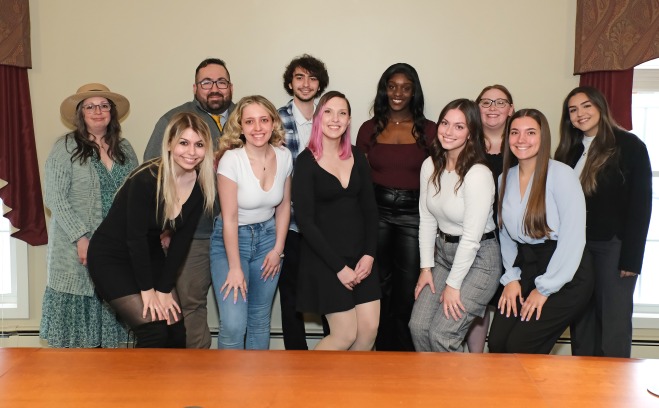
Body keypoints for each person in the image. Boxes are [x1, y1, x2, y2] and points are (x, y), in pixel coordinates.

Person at [88, 112, 216, 348]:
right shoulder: (147, 179)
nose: (191, 152)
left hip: (149, 252)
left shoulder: (200, 187)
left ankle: (172, 386)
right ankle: (141, 386)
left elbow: (180, 243)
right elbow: (133, 238)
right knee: (154, 332)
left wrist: (165, 289)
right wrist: (148, 291)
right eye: (184, 143)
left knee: (176, 332)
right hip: (111, 256)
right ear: (169, 144)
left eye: (199, 145)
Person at [143, 58, 235, 348]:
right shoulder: (174, 119)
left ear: (230, 87)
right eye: (206, 82)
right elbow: (154, 173)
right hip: (193, 234)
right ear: (195, 87)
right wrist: (165, 228)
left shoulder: (247, 120)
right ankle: (198, 372)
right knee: (191, 307)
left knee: (238, 311)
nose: (214, 88)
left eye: (221, 81)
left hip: (240, 232)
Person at [555, 86, 652, 358]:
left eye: (586, 106)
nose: (580, 113)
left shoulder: (629, 146)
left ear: (600, 106)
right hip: (578, 249)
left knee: (614, 323)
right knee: (582, 321)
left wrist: (632, 260)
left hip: (614, 248)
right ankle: (584, 391)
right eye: (573, 110)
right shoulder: (568, 150)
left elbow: (640, 205)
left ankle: (614, 394)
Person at [488, 109, 594, 354]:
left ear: (543, 136)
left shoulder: (562, 174)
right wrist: (512, 278)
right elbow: (505, 233)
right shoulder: (505, 177)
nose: (521, 139)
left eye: (530, 132)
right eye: (515, 132)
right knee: (497, 344)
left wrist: (545, 288)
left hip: (567, 273)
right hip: (526, 266)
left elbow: (573, 238)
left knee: (520, 346)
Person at [40, 83, 138, 348]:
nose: (98, 111)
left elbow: (136, 196)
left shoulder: (126, 149)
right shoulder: (66, 147)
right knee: (77, 354)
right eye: (90, 106)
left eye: (104, 105)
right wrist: (80, 238)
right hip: (76, 255)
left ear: (112, 112)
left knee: (115, 351)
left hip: (117, 251)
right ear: (80, 113)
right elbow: (54, 197)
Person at [408, 99, 500, 352]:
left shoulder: (478, 173)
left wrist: (453, 285)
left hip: (479, 259)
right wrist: (426, 268)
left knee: (442, 335)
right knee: (418, 327)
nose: (449, 131)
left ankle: (458, 391)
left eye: (459, 127)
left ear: (471, 133)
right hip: (443, 255)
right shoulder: (430, 165)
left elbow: (471, 238)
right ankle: (432, 390)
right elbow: (426, 220)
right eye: (445, 123)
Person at [356, 63, 435, 351]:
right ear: (384, 90)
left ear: (414, 92)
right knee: (378, 284)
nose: (398, 93)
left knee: (407, 287)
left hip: (414, 217)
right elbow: (360, 181)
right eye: (392, 86)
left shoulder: (430, 130)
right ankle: (380, 351)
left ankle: (402, 354)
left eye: (405, 87)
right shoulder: (368, 129)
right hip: (376, 214)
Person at [293, 91, 381, 351]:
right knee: (345, 334)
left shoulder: (358, 156)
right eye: (328, 112)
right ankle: (308, 387)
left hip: (361, 257)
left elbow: (370, 211)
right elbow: (305, 222)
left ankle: (349, 391)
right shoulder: (305, 162)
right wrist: (339, 268)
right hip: (325, 260)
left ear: (349, 119)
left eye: (342, 113)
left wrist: (369, 255)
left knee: (368, 331)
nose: (335, 119)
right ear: (318, 117)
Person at [210, 95, 292, 350]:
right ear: (240, 127)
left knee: (259, 321)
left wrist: (277, 250)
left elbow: (284, 207)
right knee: (234, 324)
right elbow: (230, 218)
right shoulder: (231, 160)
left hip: (269, 239)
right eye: (250, 121)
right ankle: (229, 388)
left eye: (263, 120)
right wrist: (235, 267)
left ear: (273, 123)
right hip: (232, 241)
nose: (257, 128)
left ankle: (257, 387)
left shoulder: (285, 156)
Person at [277, 54, 330, 350]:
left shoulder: (330, 118)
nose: (306, 84)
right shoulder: (275, 119)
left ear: (319, 83)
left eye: (312, 78)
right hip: (290, 222)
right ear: (290, 83)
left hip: (323, 223)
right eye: (299, 77)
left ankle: (332, 352)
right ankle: (295, 357)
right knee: (291, 294)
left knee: (327, 292)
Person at [465, 85, 515, 353]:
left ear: (511, 110)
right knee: (478, 305)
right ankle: (475, 361)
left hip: (513, 239)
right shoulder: (466, 145)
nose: (493, 107)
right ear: (477, 108)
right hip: (476, 238)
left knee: (506, 303)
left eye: (500, 102)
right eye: (486, 102)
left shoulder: (522, 143)